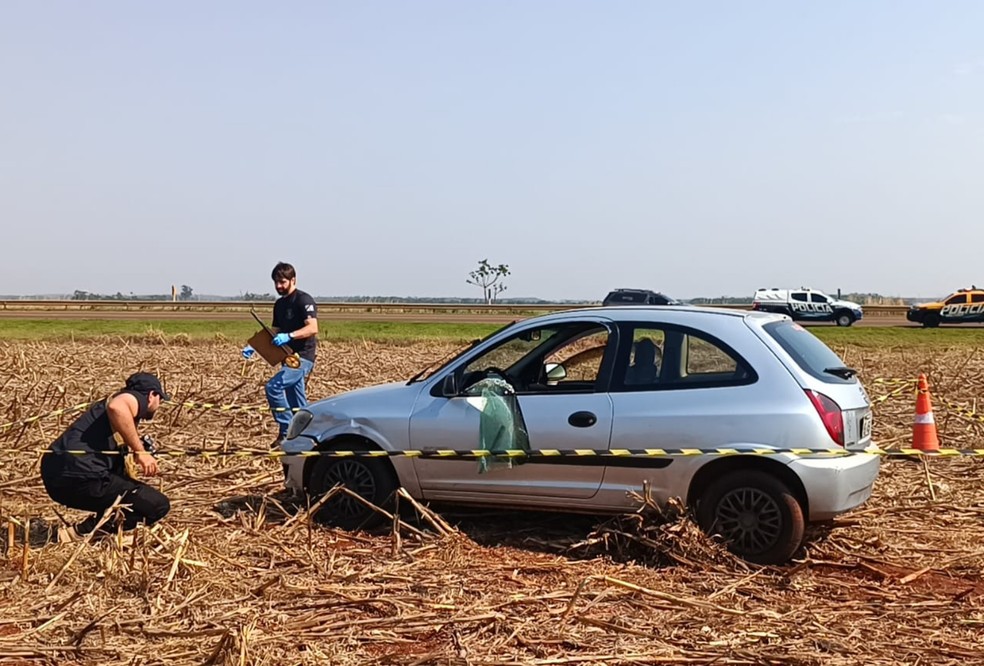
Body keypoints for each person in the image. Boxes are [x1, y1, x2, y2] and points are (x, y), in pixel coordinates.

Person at [40, 372, 171, 542]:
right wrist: (140, 451)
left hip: (57, 474)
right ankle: (85, 532)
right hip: (82, 475)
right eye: (160, 399)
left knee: (122, 487)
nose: (159, 404)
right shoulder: (133, 398)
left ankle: (74, 535)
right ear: (152, 395)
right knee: (157, 505)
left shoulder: (109, 417)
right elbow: (118, 407)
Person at [242, 262, 319, 448]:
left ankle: (287, 431)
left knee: (273, 387)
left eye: (282, 282)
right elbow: (275, 329)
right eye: (276, 282)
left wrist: (289, 336)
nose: (278, 286)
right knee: (298, 403)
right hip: (287, 357)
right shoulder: (279, 304)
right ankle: (309, 436)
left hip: (302, 358)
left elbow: (312, 328)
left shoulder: (303, 300)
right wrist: (255, 346)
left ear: (293, 280)